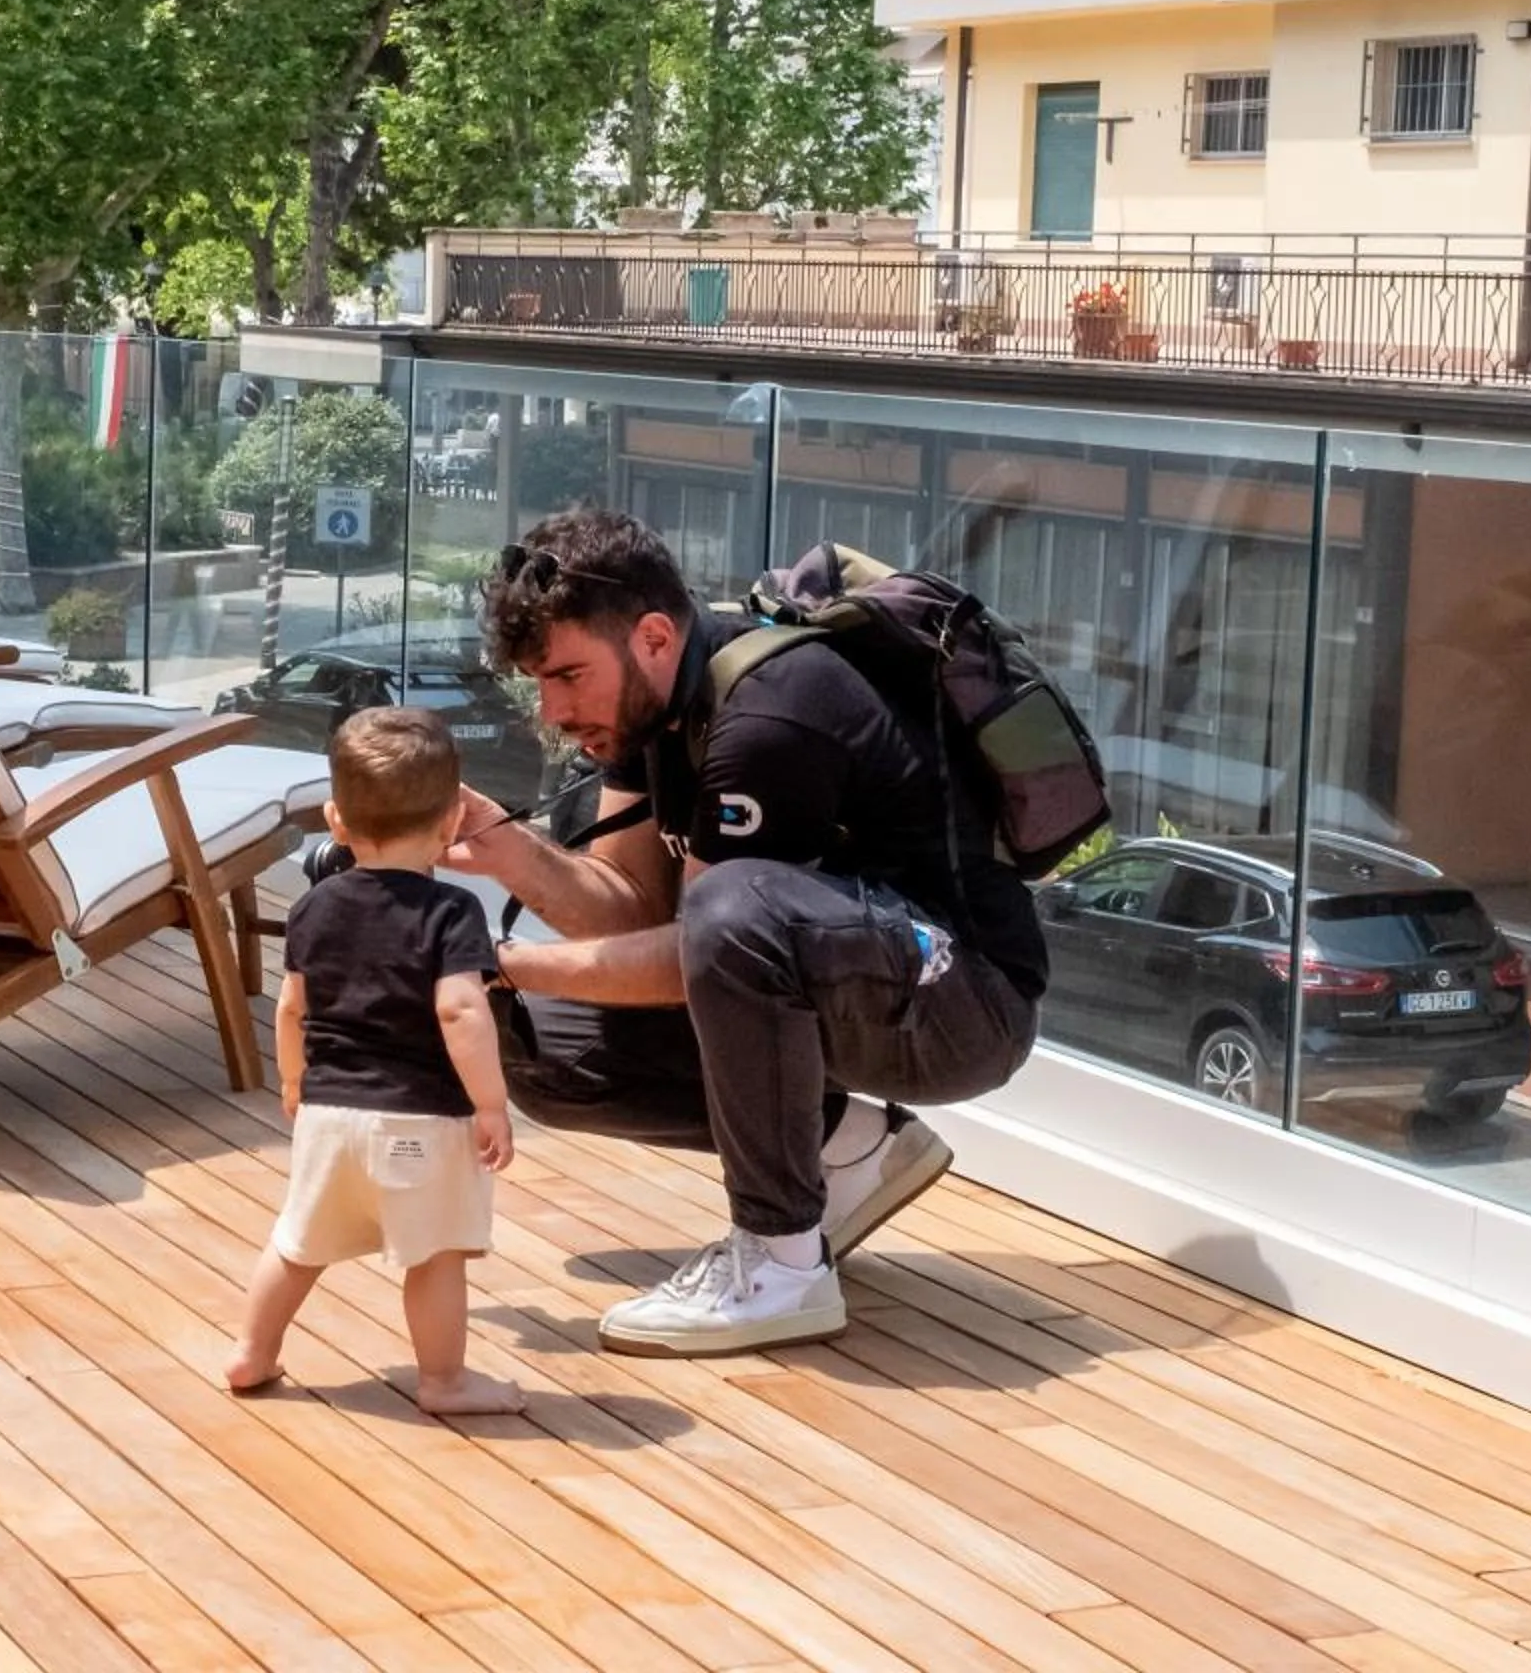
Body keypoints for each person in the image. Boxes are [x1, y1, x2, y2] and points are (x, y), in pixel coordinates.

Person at [454, 508, 1047, 1358]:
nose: (551, 710)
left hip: (965, 1006)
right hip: (859, 979)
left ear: (653, 636)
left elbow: (704, 941)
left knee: (731, 911)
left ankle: (781, 1264)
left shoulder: (771, 713)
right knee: (540, 1045)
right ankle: (847, 1152)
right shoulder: (650, 708)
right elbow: (628, 903)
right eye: (539, 682)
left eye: (567, 676)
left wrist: (498, 962)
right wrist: (508, 852)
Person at [226, 707, 523, 1414]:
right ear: (453, 821)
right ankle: (444, 1380)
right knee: (436, 1254)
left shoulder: (313, 908)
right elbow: (459, 1010)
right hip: (420, 1120)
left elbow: (291, 1007)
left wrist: (296, 1081)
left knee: (298, 1244)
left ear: (335, 819)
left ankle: (252, 1352)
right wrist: (490, 1103)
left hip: (328, 1114)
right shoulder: (452, 913)